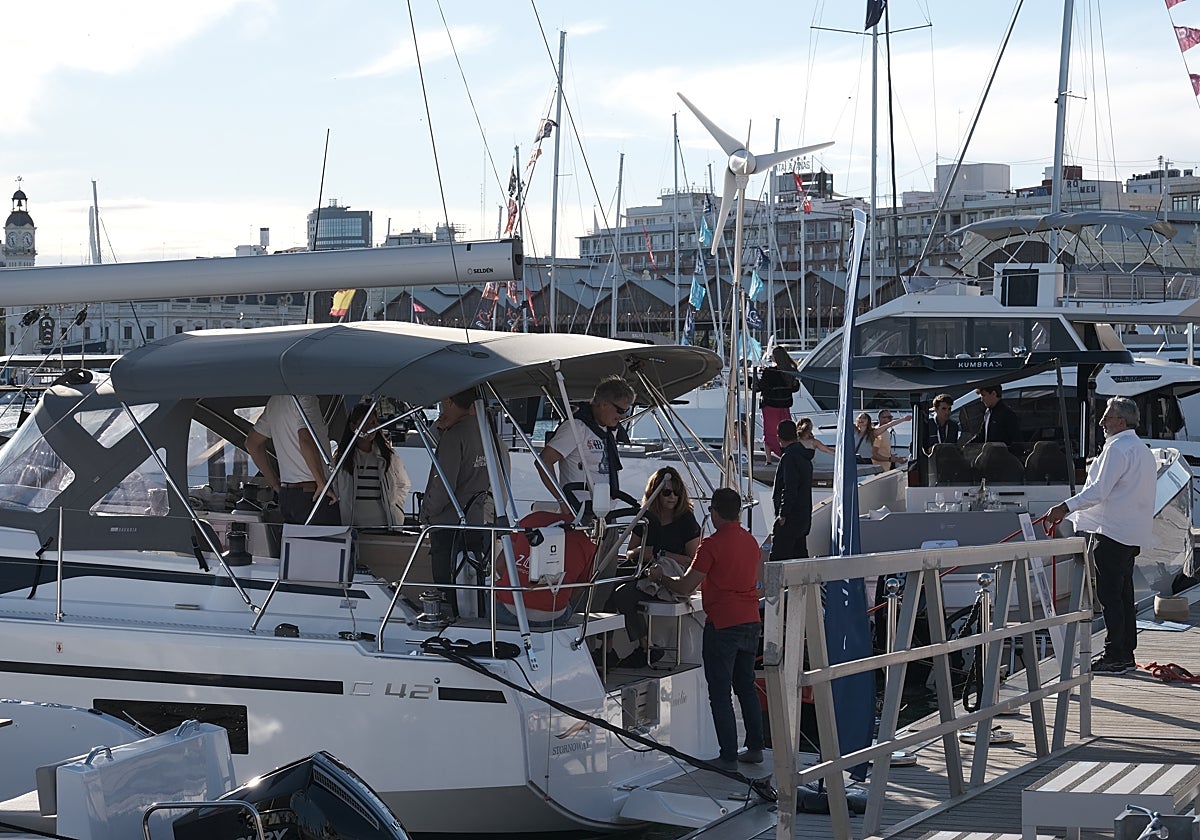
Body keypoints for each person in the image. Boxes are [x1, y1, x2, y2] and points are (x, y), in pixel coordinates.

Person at [648, 487, 765, 772]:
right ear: (738, 512)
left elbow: (687, 586)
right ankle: (756, 748)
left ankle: (727, 756)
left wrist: (661, 577)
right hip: (751, 620)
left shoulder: (711, 545)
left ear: (713, 513)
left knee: (720, 692)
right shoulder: (751, 542)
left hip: (723, 624)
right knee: (746, 687)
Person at [1046, 397, 1155, 674]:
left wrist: (1064, 507)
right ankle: (1125, 653)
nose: (1102, 422)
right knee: (1123, 594)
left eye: (1107, 417)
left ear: (1121, 421)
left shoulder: (1117, 449)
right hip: (1131, 533)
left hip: (1112, 532)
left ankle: (1115, 654)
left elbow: (1098, 491)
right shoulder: (1141, 449)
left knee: (1109, 595)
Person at [607, 467, 703, 667]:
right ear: (655, 494)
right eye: (667, 492)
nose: (673, 496)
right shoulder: (646, 518)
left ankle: (646, 647)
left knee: (623, 595)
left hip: (668, 578)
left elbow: (693, 559)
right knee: (605, 587)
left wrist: (662, 555)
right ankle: (606, 649)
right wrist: (645, 552)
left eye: (677, 492)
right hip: (643, 570)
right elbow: (631, 552)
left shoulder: (686, 520)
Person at [420, 388, 493, 617]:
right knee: (474, 589)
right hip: (479, 524)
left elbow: (442, 487)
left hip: (450, 527)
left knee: (449, 594)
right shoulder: (487, 434)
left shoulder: (455, 436)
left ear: (449, 401)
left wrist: (427, 514)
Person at [537, 375, 635, 517]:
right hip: (579, 512)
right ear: (603, 404)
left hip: (608, 511)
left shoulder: (610, 430)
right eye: (620, 410)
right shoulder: (576, 427)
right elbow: (543, 461)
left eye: (627, 410)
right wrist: (562, 501)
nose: (623, 416)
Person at [245, 394, 339, 525]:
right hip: (312, 492)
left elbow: (252, 443)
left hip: (288, 495)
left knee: (294, 544)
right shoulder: (306, 397)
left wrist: (275, 485)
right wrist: (322, 483)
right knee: (326, 543)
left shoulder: (275, 401)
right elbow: (305, 438)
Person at [335, 403, 411, 527]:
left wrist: (395, 505)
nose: (370, 427)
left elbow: (403, 484)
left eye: (373, 423)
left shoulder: (389, 456)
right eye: (364, 423)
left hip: (383, 523)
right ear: (353, 426)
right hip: (352, 523)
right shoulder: (342, 458)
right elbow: (335, 487)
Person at [771, 420, 813, 560]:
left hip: (790, 519)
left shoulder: (789, 457)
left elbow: (790, 487)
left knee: (779, 559)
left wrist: (783, 513)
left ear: (779, 438)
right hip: (802, 517)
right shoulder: (804, 456)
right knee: (799, 559)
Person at [756, 346, 800, 465]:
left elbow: (759, 387)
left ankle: (769, 459)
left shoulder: (770, 372)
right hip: (784, 405)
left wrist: (754, 378)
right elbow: (795, 388)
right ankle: (787, 454)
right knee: (786, 431)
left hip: (770, 405)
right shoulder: (790, 370)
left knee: (770, 432)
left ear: (775, 357)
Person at [975, 384, 1022, 449]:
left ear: (994, 394)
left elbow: (1016, 441)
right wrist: (965, 447)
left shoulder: (1007, 413)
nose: (981, 400)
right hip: (989, 455)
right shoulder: (988, 412)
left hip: (1003, 457)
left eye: (983, 395)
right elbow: (981, 436)